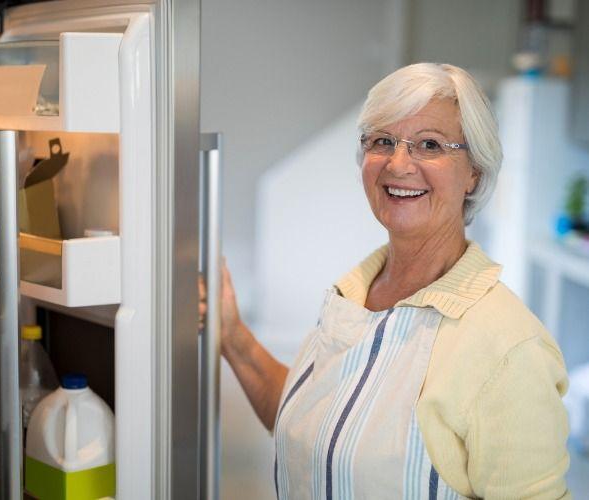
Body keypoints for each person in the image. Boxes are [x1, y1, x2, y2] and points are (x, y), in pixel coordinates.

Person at [202, 63, 570, 499]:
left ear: (474, 172)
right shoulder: (354, 295)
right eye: (382, 141)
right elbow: (322, 430)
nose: (398, 164)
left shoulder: (509, 349)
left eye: (429, 145)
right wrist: (234, 336)